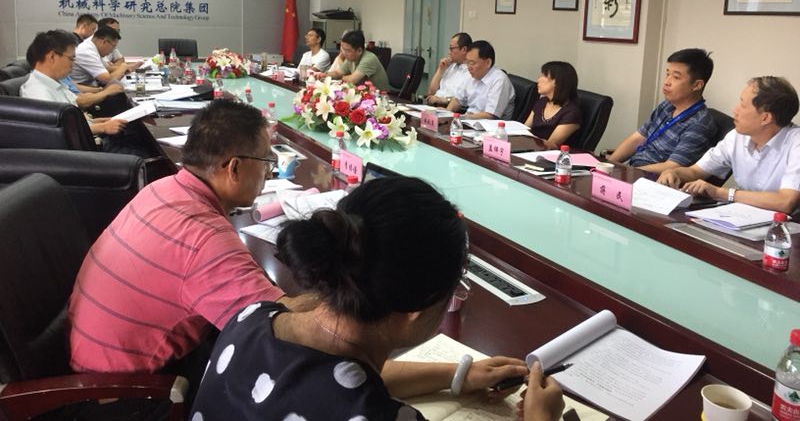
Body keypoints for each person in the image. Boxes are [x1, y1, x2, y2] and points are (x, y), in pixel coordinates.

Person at [190, 176, 564, 421]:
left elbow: (332, 377)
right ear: (416, 310)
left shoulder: (253, 318)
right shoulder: (378, 414)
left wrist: (458, 375)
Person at [69, 99, 298, 386]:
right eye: (266, 162)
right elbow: (283, 327)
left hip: (89, 354)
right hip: (122, 390)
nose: (269, 172)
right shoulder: (204, 238)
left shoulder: (161, 189)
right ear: (234, 168)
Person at [658, 76, 800, 213]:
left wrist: (720, 193)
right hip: (745, 216)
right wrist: (673, 172)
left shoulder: (796, 144)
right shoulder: (737, 137)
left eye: (743, 105)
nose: (735, 111)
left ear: (765, 118)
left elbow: (785, 202)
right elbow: (695, 172)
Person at [606, 48, 716, 172]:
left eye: (676, 77)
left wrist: (627, 173)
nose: (667, 82)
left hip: (654, 179)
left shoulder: (700, 123)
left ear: (697, 85)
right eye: (667, 74)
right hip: (634, 169)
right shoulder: (666, 106)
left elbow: (673, 166)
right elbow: (637, 139)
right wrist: (608, 166)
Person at [20, 30, 127, 138]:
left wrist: (95, 122)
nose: (73, 64)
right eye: (71, 59)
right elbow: (57, 132)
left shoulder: (54, 83)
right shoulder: (38, 92)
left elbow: (71, 118)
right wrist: (102, 127)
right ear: (52, 56)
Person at [447, 40, 515, 120]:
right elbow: (458, 100)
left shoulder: (499, 80)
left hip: (490, 125)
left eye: (472, 63)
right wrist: (446, 113)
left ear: (488, 63)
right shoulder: (471, 75)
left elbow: (490, 115)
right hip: (469, 120)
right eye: (467, 62)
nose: (469, 67)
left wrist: (462, 118)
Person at [524, 61, 581, 148]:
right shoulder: (542, 102)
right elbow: (525, 129)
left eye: (544, 76)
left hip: (550, 154)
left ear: (557, 82)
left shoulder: (571, 112)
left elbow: (552, 144)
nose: (538, 80)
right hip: (530, 149)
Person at [425, 32, 472, 106]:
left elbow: (464, 100)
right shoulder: (450, 66)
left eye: (451, 48)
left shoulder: (471, 72)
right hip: (435, 105)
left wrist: (444, 100)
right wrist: (440, 70)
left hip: (451, 108)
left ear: (464, 49)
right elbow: (431, 92)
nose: (449, 52)